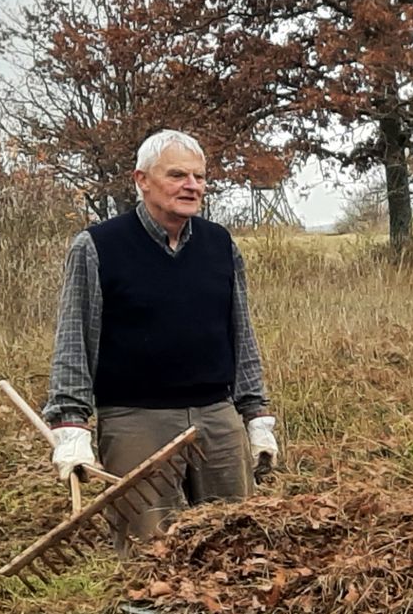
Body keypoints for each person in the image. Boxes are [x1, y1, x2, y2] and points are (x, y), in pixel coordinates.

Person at [42, 130, 278, 542]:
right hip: (136, 421)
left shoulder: (219, 245)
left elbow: (241, 334)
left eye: (199, 177)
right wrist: (71, 424)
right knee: (148, 552)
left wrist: (255, 415)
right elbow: (74, 340)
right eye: (177, 175)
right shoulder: (98, 246)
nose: (192, 186)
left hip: (217, 417)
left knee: (237, 543)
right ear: (142, 180)